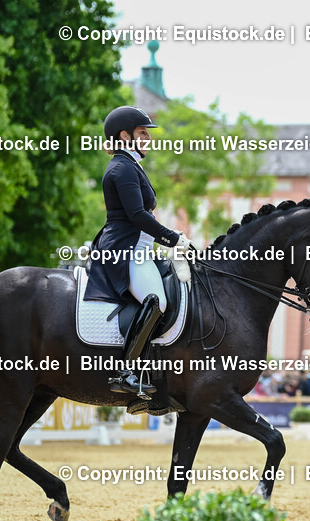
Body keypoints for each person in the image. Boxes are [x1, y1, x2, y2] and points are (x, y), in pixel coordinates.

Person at [84, 106, 197, 397]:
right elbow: (137, 214)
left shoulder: (131, 164)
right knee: (156, 300)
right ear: (125, 135)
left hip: (140, 249)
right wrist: (173, 238)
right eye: (142, 132)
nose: (148, 138)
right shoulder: (122, 168)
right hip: (124, 250)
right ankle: (125, 372)